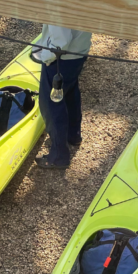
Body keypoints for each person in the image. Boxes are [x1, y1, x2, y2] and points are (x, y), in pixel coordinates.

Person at [33, 24, 92, 170]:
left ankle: (59, 156)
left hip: (61, 58)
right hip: (79, 51)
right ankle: (73, 135)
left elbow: (61, 41)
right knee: (71, 93)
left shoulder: (57, 0)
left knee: (51, 104)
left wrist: (46, 57)